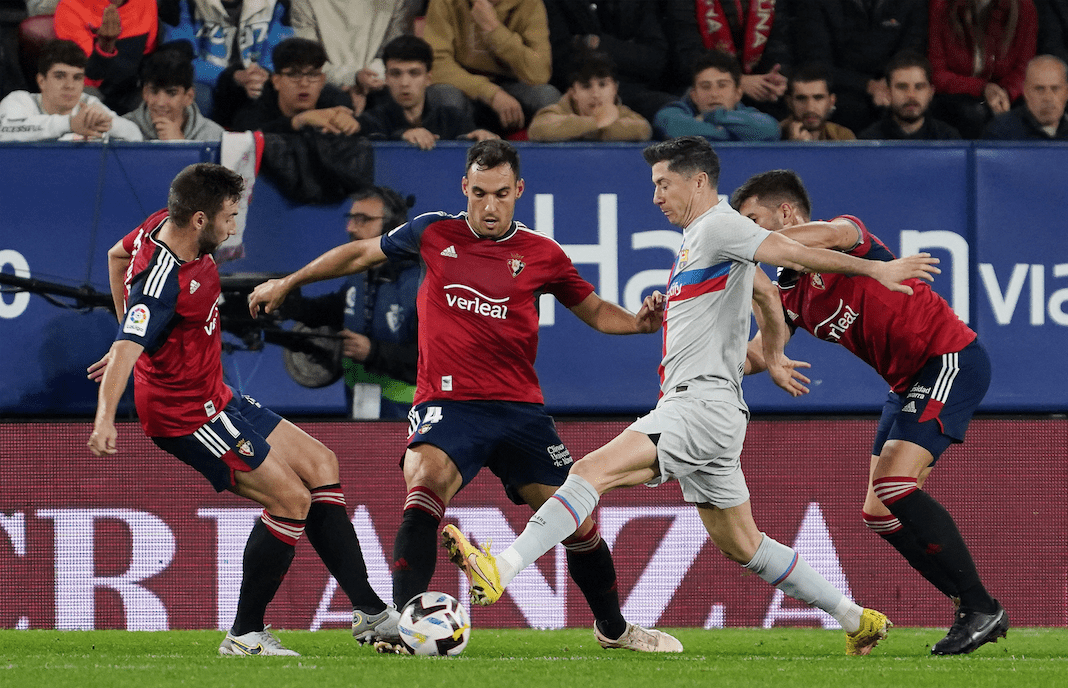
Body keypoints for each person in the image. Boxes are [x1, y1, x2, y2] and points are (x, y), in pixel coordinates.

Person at [441, 136, 941, 656]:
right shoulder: (705, 239)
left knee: (590, 473)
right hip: (714, 410)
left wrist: (876, 269)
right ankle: (856, 618)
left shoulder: (721, 225)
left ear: (698, 181)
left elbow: (791, 252)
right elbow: (769, 294)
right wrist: (771, 355)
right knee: (744, 544)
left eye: (664, 184)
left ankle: (502, 568)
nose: (655, 196)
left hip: (698, 406)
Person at [247, 140, 684, 654]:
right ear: (465, 189)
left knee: (577, 521)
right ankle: (405, 631)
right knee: (425, 482)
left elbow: (592, 310)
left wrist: (637, 323)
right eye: (480, 193)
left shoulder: (542, 254)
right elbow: (360, 253)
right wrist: (290, 281)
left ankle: (613, 630)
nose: (490, 206)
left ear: (518, 191)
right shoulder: (435, 232)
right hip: (448, 403)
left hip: (520, 409)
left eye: (501, 194)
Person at [86, 163, 400, 656]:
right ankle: (245, 634)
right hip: (185, 414)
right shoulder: (162, 278)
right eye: (229, 217)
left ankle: (370, 612)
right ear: (197, 220)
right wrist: (109, 406)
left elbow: (115, 254)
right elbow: (127, 347)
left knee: (322, 464)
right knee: (291, 501)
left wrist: (131, 329)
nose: (233, 228)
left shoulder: (157, 224)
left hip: (216, 395)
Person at [731, 169, 1009, 656]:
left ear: (787, 214)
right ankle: (974, 606)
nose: (747, 231)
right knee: (878, 512)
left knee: (894, 485)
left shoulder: (845, 236)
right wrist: (705, 359)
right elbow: (761, 353)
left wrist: (750, 241)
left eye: (753, 220)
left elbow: (837, 233)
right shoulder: (788, 295)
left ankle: (980, 606)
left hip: (947, 358)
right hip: (906, 383)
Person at [282, 186, 420, 419]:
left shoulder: (419, 282)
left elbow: (434, 361)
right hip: (359, 404)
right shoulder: (360, 273)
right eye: (351, 218)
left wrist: (373, 351)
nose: (350, 227)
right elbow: (337, 310)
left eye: (363, 219)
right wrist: (288, 304)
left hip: (405, 411)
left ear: (393, 226)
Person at [422, 0, 560, 135]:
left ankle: (545, 157)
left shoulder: (530, 4)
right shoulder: (444, 2)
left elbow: (540, 74)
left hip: (513, 88)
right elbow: (436, 65)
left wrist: (494, 29)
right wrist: (491, 93)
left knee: (547, 96)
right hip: (464, 87)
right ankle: (452, 156)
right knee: (446, 97)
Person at [793, 0, 928, 134]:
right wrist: (868, 85)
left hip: (892, 82)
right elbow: (816, 61)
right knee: (851, 108)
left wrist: (889, 83)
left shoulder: (912, 3)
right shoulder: (816, 3)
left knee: (915, 102)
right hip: (841, 85)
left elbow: (912, 52)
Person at [161, 0, 294, 127]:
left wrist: (263, 75)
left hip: (255, 83)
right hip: (209, 84)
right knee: (196, 95)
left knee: (276, 90)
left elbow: (281, 55)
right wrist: (232, 76)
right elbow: (178, 62)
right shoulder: (181, 3)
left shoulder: (277, 3)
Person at [541, 0, 677, 123]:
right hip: (579, 92)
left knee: (670, 107)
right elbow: (560, 60)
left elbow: (656, 59)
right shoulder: (556, 3)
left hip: (634, 91)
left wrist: (598, 43)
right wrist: (627, 51)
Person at [358, 35, 498, 149]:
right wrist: (401, 137)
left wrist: (480, 139)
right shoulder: (370, 121)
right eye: (396, 74)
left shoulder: (454, 119)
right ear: (386, 78)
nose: (404, 83)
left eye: (414, 73)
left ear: (428, 78)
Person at [928, 0, 1038, 139]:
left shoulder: (1023, 7)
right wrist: (983, 88)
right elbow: (937, 73)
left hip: (1006, 93)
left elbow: (1025, 69)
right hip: (955, 95)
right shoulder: (942, 5)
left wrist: (1005, 93)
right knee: (972, 113)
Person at [663, 0, 791, 118]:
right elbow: (686, 52)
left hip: (758, 87)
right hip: (698, 83)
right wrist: (738, 80)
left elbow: (779, 42)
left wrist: (775, 78)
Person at [290, 0, 421, 114]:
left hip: (378, 83)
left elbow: (395, 54)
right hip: (325, 85)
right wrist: (353, 78)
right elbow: (307, 59)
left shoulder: (398, 2)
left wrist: (366, 80)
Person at [0, 38, 143, 141]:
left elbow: (134, 134)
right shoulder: (20, 100)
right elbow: (5, 132)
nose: (69, 85)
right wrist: (69, 125)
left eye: (77, 78)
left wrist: (108, 125)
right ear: (41, 81)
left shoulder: (87, 103)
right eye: (60, 76)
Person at [231, 37, 360, 135]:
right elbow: (246, 135)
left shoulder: (337, 103)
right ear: (276, 81)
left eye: (312, 74)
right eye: (294, 74)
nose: (304, 83)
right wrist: (298, 121)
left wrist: (354, 125)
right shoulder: (258, 107)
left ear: (322, 81)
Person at [53, 0, 158, 115]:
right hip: (88, 91)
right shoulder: (71, 6)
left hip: (131, 90)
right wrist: (105, 46)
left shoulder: (147, 3)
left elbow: (148, 56)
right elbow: (88, 74)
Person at [653, 50, 780, 142]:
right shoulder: (673, 113)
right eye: (705, 86)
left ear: (738, 94)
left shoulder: (749, 115)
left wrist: (710, 117)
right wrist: (736, 134)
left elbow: (771, 129)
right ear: (694, 95)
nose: (714, 94)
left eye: (722, 85)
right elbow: (673, 128)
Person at [527, 49, 652, 142]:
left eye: (602, 85)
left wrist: (579, 130)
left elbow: (642, 129)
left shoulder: (623, 113)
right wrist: (597, 122)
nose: (596, 94)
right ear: (573, 93)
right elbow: (538, 129)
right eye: (586, 86)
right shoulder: (557, 111)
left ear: (615, 89)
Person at [123, 42, 224, 141]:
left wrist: (180, 146)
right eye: (154, 91)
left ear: (189, 97)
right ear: (145, 93)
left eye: (171, 93)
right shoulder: (122, 131)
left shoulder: (215, 137)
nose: (160, 102)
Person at [859, 51, 962, 140]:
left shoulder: (949, 139)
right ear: (888, 93)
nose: (911, 95)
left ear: (930, 93)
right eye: (902, 87)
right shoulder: (868, 142)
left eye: (919, 87)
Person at [984, 53, 1068, 137]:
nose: (1048, 97)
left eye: (1055, 88)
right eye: (1039, 88)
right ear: (1026, 92)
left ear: (1066, 92)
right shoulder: (1000, 132)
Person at [779, 63, 856, 141]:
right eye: (801, 99)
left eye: (818, 98)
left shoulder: (842, 136)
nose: (810, 108)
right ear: (789, 102)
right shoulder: (774, 136)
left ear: (832, 101)